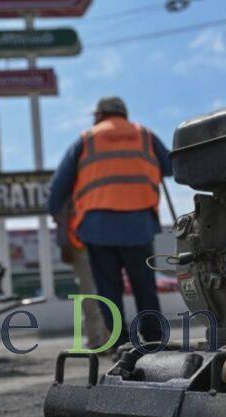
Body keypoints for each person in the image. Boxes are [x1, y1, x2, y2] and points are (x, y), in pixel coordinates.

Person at [47, 96, 173, 349]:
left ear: (99, 114)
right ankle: (153, 340)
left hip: (98, 227)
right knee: (144, 286)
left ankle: (119, 344)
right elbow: (170, 167)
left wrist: (56, 212)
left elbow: (57, 188)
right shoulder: (145, 135)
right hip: (139, 225)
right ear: (124, 114)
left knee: (108, 289)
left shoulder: (86, 140)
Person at [53, 202, 110, 350]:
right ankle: (102, 339)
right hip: (92, 243)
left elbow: (57, 210)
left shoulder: (69, 190)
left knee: (93, 293)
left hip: (91, 244)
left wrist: (64, 243)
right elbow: (60, 213)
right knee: (99, 292)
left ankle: (101, 339)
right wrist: (64, 243)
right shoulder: (72, 190)